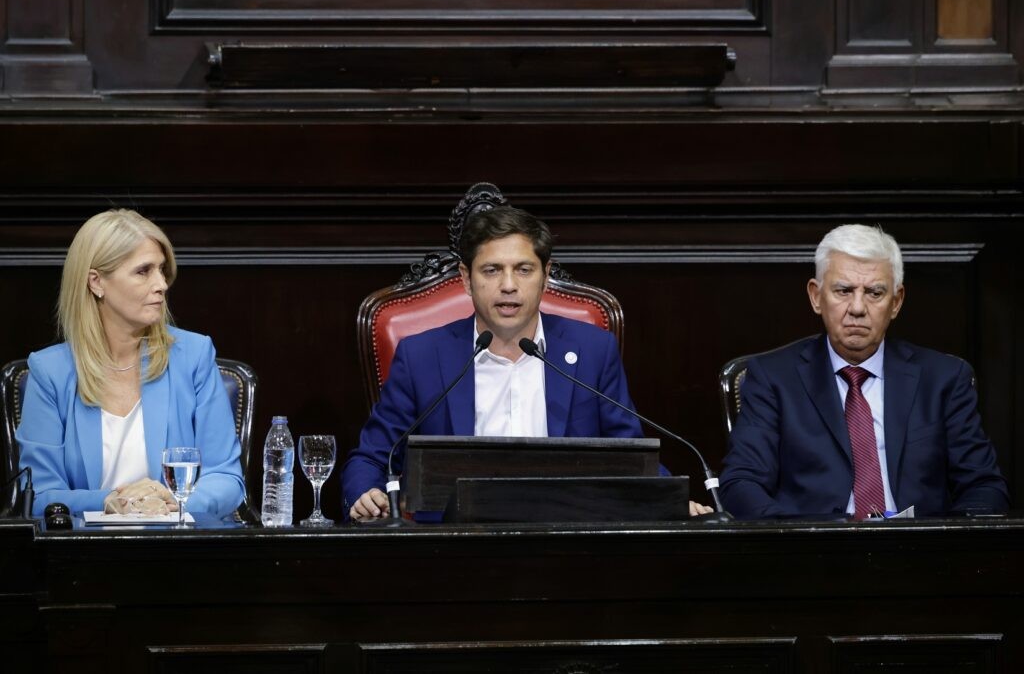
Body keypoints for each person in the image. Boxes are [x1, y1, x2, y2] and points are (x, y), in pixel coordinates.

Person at [343, 206, 712, 521]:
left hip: (570, 537)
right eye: (491, 270)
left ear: (545, 276)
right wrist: (364, 494)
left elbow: (630, 455)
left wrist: (671, 500)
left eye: (523, 269)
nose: (508, 285)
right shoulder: (422, 355)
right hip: (452, 545)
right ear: (466, 279)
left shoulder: (593, 351)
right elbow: (373, 457)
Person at [719, 224, 1009, 519]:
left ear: (896, 302)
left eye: (874, 293)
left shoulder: (943, 378)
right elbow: (742, 482)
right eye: (843, 290)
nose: (857, 308)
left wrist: (950, 541)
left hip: (918, 543)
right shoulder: (773, 378)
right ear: (816, 296)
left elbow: (983, 485)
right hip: (814, 542)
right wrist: (799, 537)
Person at [17, 209, 245, 517]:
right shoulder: (50, 372)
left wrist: (173, 500)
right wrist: (109, 501)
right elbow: (39, 495)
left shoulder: (194, 356)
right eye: (143, 271)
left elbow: (227, 480)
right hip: (86, 544)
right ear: (96, 282)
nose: (161, 284)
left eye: (162, 270)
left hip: (176, 541)